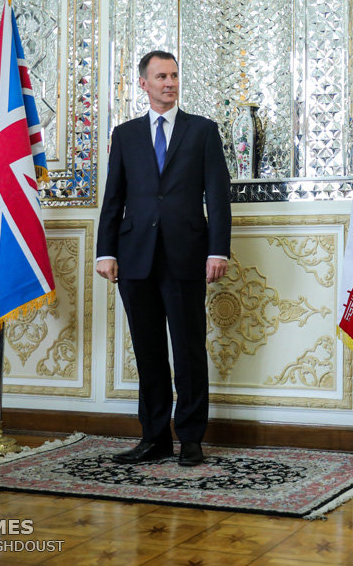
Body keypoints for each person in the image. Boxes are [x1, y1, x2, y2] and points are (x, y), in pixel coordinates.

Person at [96, 50, 231, 467]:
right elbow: (114, 197)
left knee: (188, 350)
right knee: (148, 351)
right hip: (134, 258)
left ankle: (190, 438)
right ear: (144, 84)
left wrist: (218, 250)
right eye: (160, 77)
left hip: (186, 255)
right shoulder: (125, 135)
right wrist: (105, 251)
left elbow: (218, 196)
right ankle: (154, 438)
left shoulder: (203, 131)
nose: (169, 83)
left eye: (173, 75)